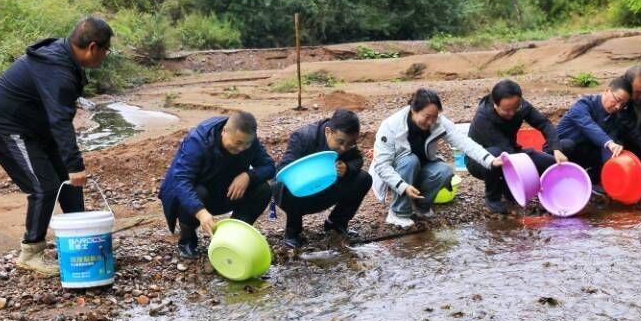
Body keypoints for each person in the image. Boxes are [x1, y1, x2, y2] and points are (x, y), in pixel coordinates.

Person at [0, 16, 113, 276]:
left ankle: (78, 239)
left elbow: (57, 119)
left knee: (67, 184)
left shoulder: (66, 56)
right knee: (44, 186)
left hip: (36, 128)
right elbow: (60, 121)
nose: (105, 55)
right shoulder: (57, 70)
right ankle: (30, 252)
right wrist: (76, 164)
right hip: (6, 127)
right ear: (93, 47)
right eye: (106, 49)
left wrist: (72, 168)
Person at [371, 88, 503, 228]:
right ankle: (398, 213)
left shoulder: (438, 122)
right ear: (413, 110)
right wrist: (402, 187)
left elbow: (464, 143)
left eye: (434, 117)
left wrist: (490, 160)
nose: (430, 122)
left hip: (421, 168)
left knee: (444, 171)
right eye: (426, 117)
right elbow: (382, 166)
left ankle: (420, 206)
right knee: (410, 161)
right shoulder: (391, 126)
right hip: (397, 174)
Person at [158, 111, 275, 257]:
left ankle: (234, 236)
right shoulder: (198, 141)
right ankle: (187, 240)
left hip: (228, 192)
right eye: (238, 143)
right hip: (200, 194)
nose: (242, 148)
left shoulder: (248, 140)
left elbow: (270, 167)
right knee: (197, 192)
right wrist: (201, 213)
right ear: (224, 131)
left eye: (247, 144)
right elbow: (181, 181)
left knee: (263, 189)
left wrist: (248, 176)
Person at [466, 79, 567, 214]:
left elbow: (544, 124)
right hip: (480, 160)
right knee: (496, 153)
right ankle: (493, 198)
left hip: (510, 151)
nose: (512, 113)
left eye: (516, 108)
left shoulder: (520, 106)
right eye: (507, 111)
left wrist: (556, 149)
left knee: (552, 164)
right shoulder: (483, 118)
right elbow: (507, 154)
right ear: (495, 105)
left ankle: (555, 195)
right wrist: (527, 181)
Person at [274, 109, 370, 247]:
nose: (344, 148)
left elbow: (357, 160)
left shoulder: (347, 144)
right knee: (288, 184)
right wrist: (307, 170)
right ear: (328, 132)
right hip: (299, 194)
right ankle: (293, 232)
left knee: (364, 178)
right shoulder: (303, 137)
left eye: (349, 144)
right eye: (340, 142)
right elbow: (282, 170)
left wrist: (347, 168)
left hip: (325, 190)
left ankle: (336, 224)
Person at [554, 76, 631, 183]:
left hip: (581, 153)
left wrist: (614, 161)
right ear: (606, 91)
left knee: (607, 157)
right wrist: (609, 143)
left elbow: (610, 144)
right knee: (567, 144)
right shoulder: (583, 104)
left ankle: (586, 181)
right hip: (557, 151)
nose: (618, 106)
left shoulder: (615, 118)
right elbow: (588, 125)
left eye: (623, 104)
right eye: (617, 100)